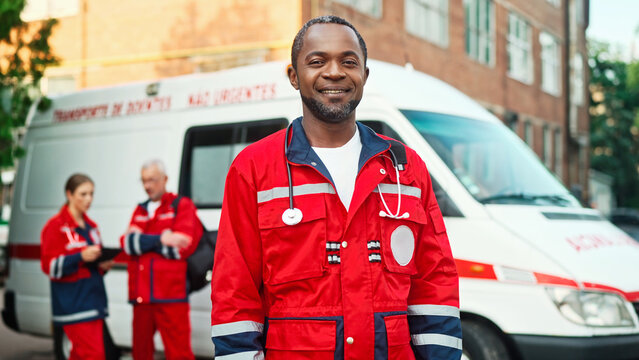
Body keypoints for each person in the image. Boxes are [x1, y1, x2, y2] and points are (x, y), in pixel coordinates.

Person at [210, 15, 462, 360]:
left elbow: (435, 282)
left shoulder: (405, 168)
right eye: (317, 61)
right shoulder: (254, 168)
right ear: (294, 77)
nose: (334, 72)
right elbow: (234, 293)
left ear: (364, 76)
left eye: (349, 61)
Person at [120, 159, 202, 360]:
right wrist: (161, 238)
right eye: (144, 181)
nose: (147, 186)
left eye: (152, 180)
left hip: (171, 296)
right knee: (140, 354)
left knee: (179, 354)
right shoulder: (140, 209)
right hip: (141, 296)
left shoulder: (181, 205)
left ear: (165, 179)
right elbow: (127, 245)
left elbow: (183, 248)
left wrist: (142, 241)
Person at [40, 174, 116, 360]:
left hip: (94, 301)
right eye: (83, 194)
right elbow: (49, 267)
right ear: (69, 194)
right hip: (73, 305)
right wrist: (79, 256)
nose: (88, 199)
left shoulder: (92, 227)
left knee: (82, 355)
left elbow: (92, 266)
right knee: (93, 355)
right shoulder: (55, 227)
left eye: (91, 194)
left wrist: (103, 265)